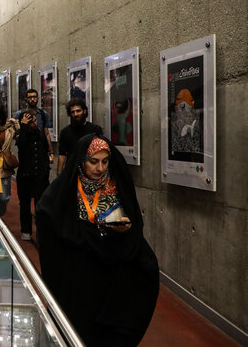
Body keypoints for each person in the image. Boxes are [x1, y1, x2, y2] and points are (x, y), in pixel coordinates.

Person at [36, 135, 159, 346]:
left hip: (111, 269)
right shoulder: (66, 189)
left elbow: (134, 221)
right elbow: (48, 216)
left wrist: (126, 229)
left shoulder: (116, 185)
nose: (100, 168)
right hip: (81, 273)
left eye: (105, 161)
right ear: (82, 161)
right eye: (93, 161)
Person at [16, 109, 50, 240]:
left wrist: (45, 169)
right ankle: (26, 230)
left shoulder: (39, 134)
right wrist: (23, 125)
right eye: (30, 121)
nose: (33, 123)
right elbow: (22, 144)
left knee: (40, 204)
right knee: (24, 204)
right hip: (25, 176)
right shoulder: (21, 134)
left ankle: (41, 230)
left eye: (34, 120)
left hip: (40, 176)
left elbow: (45, 150)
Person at [57, 98, 103, 174]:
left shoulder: (95, 129)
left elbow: (101, 152)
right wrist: (59, 176)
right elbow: (62, 154)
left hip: (91, 172)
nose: (75, 114)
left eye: (78, 111)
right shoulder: (65, 132)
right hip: (72, 172)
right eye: (73, 112)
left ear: (84, 111)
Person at [0, 105, 19, 216]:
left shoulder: (8, 129)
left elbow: (19, 136)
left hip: (4, 166)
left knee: (4, 197)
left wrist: (16, 125)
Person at [14, 88, 54, 164]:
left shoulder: (43, 114)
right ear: (26, 99)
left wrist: (51, 152)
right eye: (30, 97)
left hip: (41, 148)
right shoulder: (19, 114)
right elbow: (17, 134)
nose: (32, 99)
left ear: (38, 98)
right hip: (26, 149)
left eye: (34, 97)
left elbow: (46, 133)